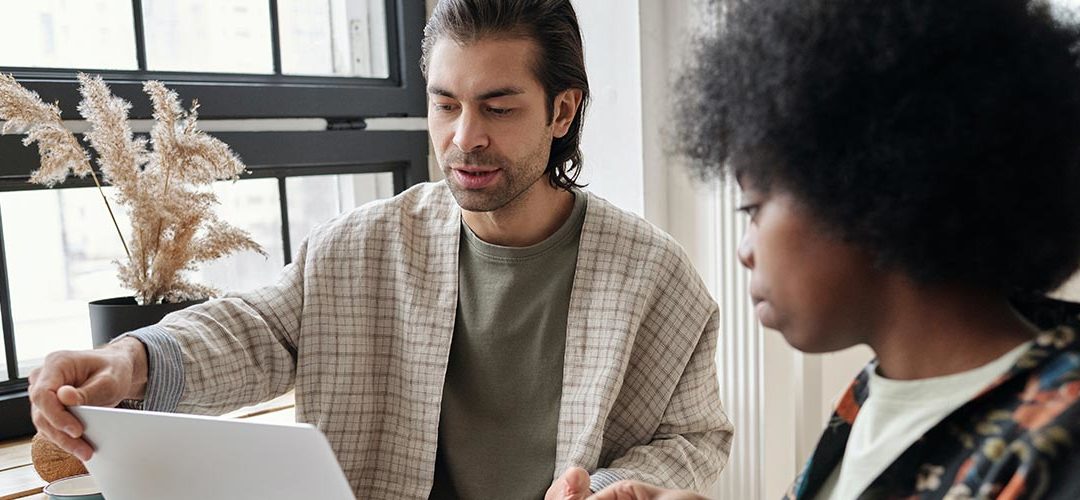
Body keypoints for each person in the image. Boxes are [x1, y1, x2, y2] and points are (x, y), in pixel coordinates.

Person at [27, 1, 734, 499]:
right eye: (445, 103)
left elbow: (696, 436)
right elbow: (255, 328)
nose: (463, 138)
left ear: (561, 110)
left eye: (498, 105)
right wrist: (129, 360)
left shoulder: (657, 277)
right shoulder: (359, 246)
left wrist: (608, 489)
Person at [591, 0, 1080, 498]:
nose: (745, 249)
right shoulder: (875, 395)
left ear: (865, 189)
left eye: (753, 209)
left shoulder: (1062, 443)